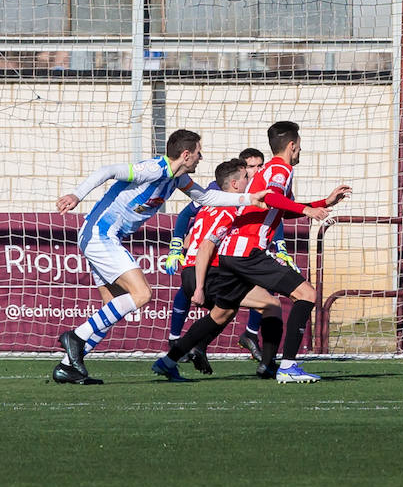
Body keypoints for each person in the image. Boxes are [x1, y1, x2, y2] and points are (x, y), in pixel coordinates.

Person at [52, 130, 267, 385]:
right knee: (142, 294)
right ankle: (76, 337)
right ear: (186, 155)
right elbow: (107, 170)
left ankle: (68, 367)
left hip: (101, 236)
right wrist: (77, 195)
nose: (201, 157)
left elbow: (207, 197)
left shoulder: (178, 179)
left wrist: (249, 198)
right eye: (198, 153)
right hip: (100, 234)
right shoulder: (154, 169)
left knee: (114, 306)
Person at [165, 121, 350, 383]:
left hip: (231, 253)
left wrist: (323, 202)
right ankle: (286, 366)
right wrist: (308, 211)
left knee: (224, 313)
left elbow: (277, 207)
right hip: (247, 251)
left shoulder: (270, 172)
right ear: (292, 146)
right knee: (306, 294)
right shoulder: (279, 168)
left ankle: (169, 359)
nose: (299, 152)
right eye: (299, 147)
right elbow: (274, 198)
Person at [148, 158, 285, 381]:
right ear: (234, 185)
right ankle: (268, 365)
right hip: (205, 272)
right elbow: (205, 246)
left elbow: (191, 238)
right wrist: (200, 287)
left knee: (224, 313)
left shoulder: (210, 205)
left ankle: (171, 360)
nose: (250, 181)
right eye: (246, 177)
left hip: (193, 271)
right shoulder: (230, 209)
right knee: (271, 305)